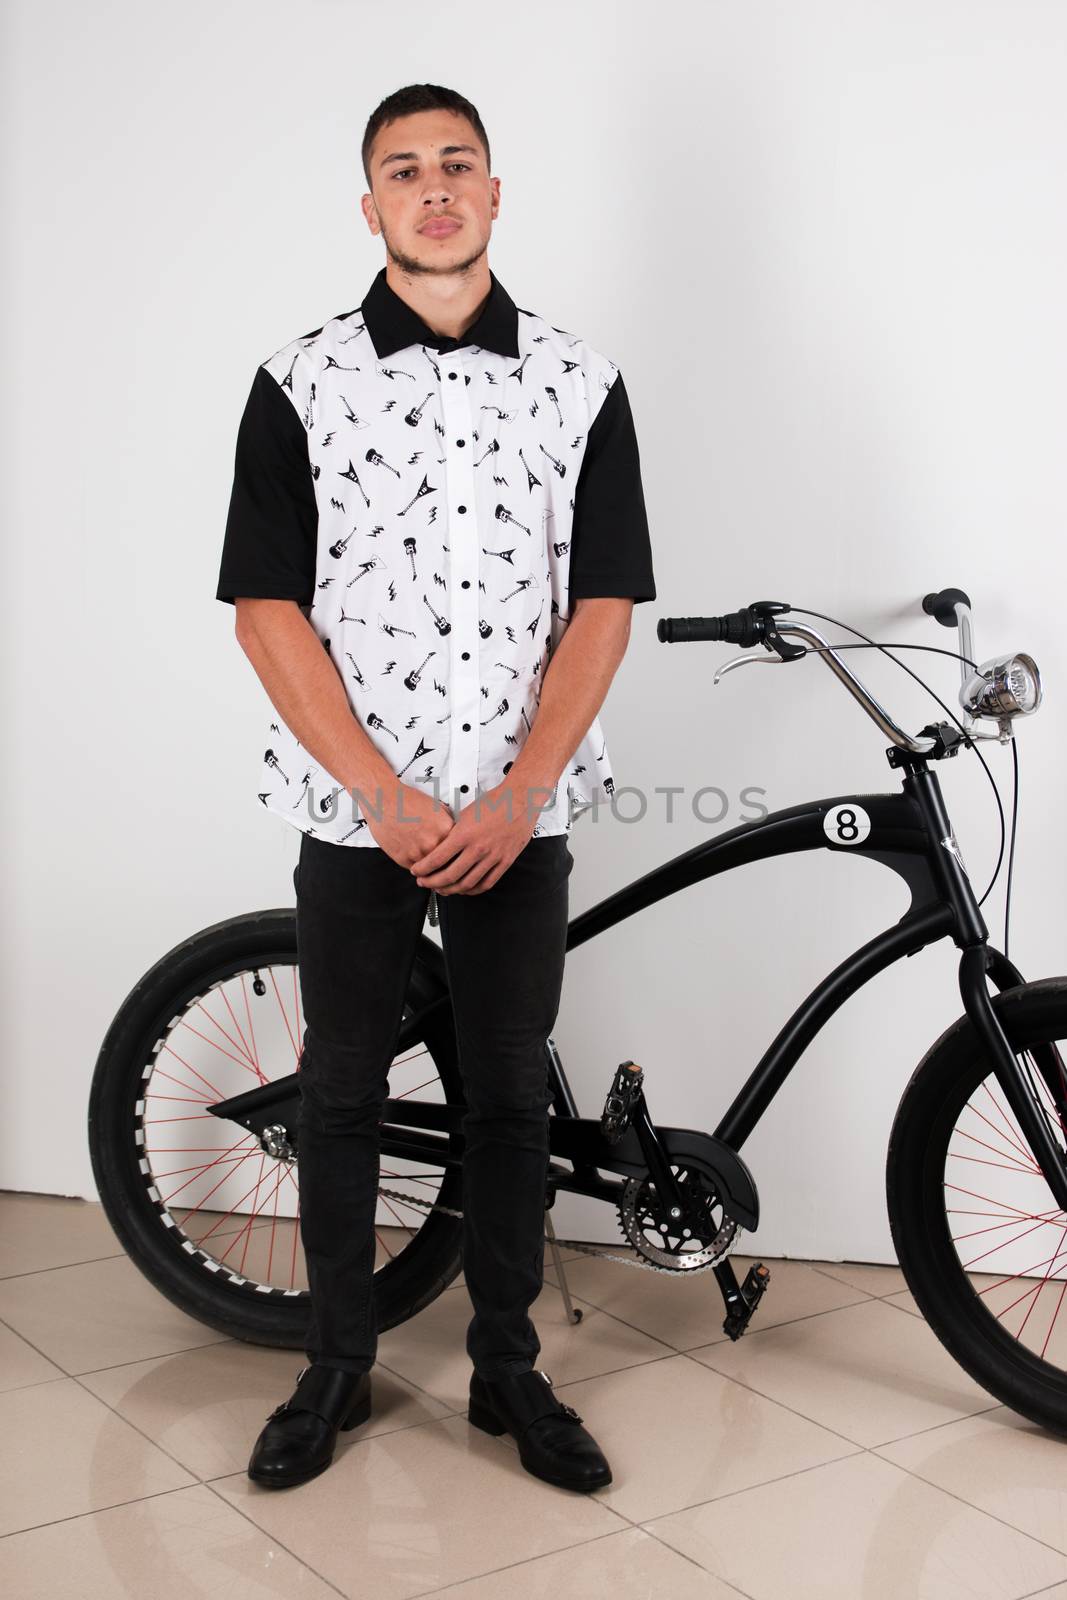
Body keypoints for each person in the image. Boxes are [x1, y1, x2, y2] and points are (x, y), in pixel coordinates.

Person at [215, 81, 656, 1493]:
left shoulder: (581, 382)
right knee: (342, 1092)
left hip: (518, 817)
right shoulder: (302, 381)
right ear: (372, 207)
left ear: (495, 192)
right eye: (405, 171)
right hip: (360, 815)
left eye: (458, 164)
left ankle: (507, 1373)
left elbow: (602, 604)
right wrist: (385, 797)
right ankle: (337, 1363)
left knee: (510, 1099)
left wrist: (523, 791)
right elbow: (265, 609)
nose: (435, 188)